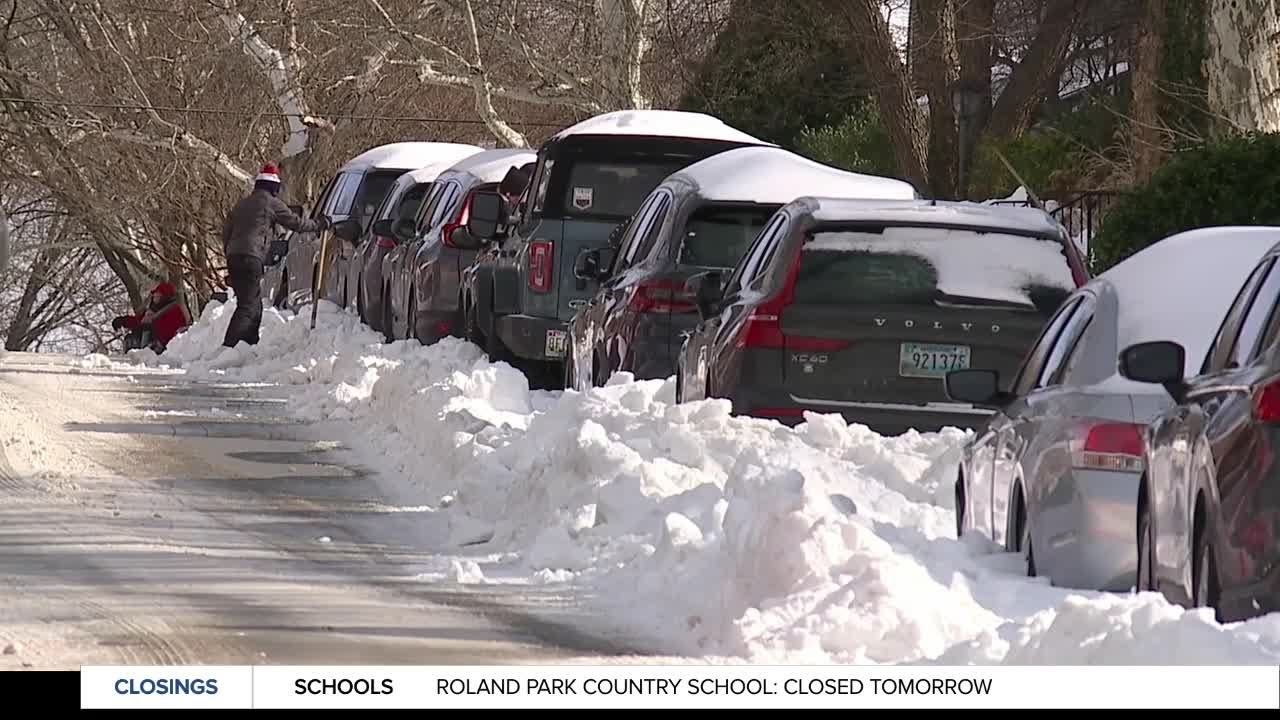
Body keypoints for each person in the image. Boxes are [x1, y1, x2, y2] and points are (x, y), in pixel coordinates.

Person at [219, 163, 330, 348]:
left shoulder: (242, 204)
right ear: (274, 187)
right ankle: (230, 347)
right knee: (248, 307)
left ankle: (247, 347)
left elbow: (226, 232)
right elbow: (296, 223)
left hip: (234, 256)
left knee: (251, 305)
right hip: (251, 257)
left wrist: (230, 254)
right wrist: (318, 224)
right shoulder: (271, 203)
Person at [112, 282, 190, 354]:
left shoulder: (174, 311)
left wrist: (148, 328)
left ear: (165, 296)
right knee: (131, 338)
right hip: (150, 345)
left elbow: (168, 332)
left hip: (164, 349)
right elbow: (139, 322)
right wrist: (124, 321)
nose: (154, 297)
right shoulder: (153, 311)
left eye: (157, 295)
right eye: (154, 295)